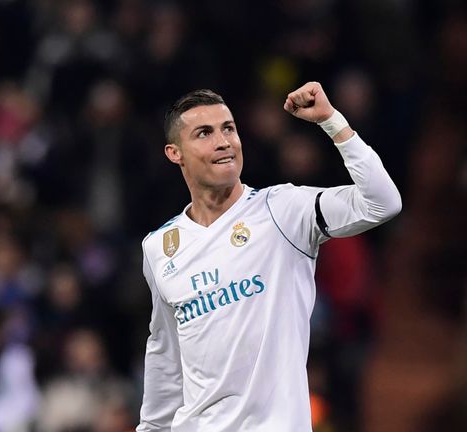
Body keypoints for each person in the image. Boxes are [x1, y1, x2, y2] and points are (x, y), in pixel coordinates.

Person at [137, 81, 401, 431]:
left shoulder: (283, 210)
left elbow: (382, 203)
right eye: (204, 133)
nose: (223, 142)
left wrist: (332, 121)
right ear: (175, 153)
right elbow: (166, 360)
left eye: (228, 129)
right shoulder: (159, 248)